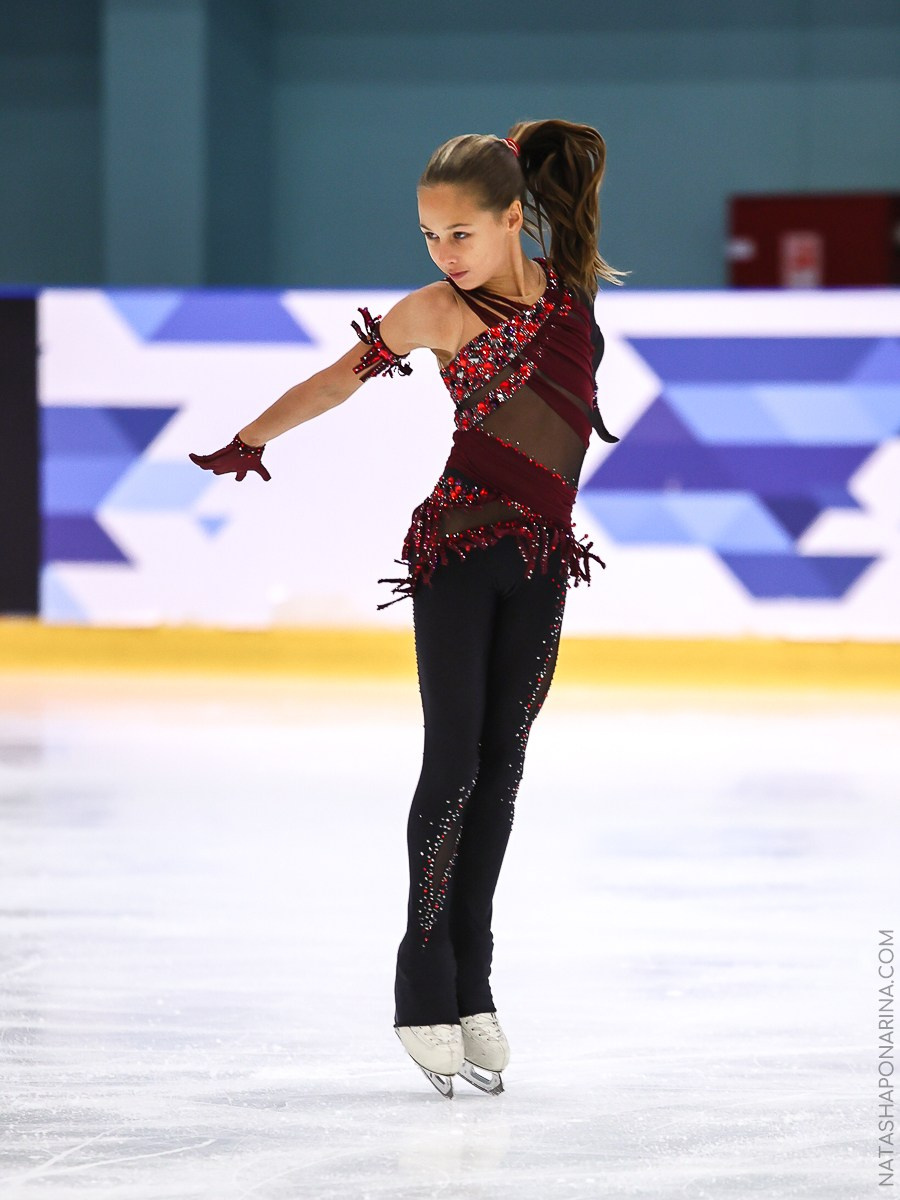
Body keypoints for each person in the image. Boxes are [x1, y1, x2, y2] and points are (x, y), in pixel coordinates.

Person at [189, 117, 624, 1099]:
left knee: (505, 770)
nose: (442, 254)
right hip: (458, 552)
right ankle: (421, 972)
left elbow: (574, 207)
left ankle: (474, 973)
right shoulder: (435, 312)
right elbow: (337, 380)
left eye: (460, 234)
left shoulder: (571, 297)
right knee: (455, 763)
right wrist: (252, 437)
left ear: (514, 219)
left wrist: (525, 144)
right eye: (429, 235)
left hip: (543, 559)